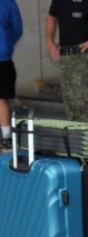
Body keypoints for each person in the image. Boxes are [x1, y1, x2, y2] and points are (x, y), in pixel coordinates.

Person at [0, 0, 22, 151]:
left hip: (2, 59)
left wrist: (4, 45)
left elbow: (16, 29)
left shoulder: (7, 3)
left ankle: (6, 137)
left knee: (1, 98)